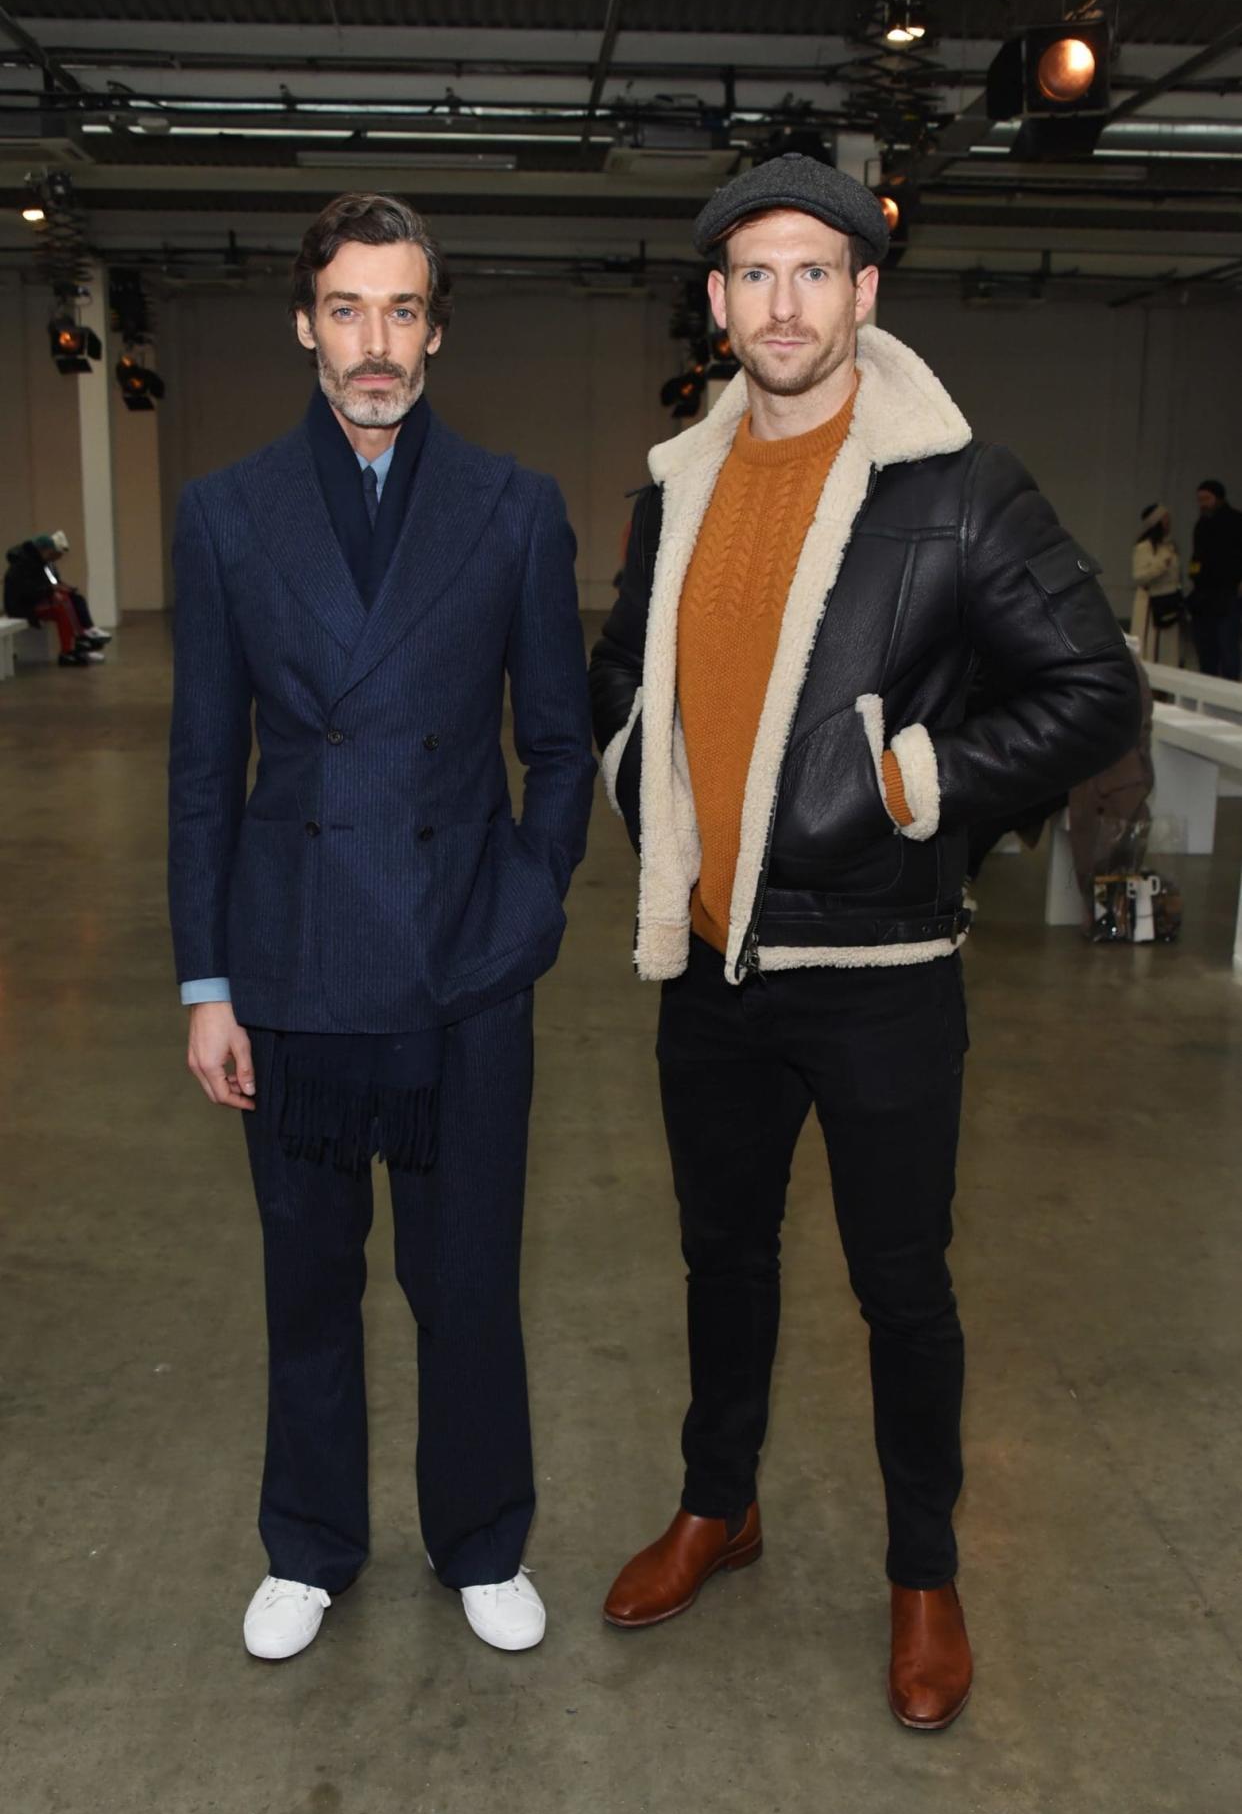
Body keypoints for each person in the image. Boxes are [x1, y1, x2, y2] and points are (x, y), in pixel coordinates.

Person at [589, 153, 1139, 1731]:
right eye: (752, 274)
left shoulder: (957, 482)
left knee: (902, 1285)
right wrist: (644, 772)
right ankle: (721, 1501)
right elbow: (621, 671)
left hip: (883, 973)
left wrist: (924, 785)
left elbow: (1091, 689)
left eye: (812, 272)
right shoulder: (675, 480)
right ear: (715, 301)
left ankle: (921, 1568)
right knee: (720, 1257)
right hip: (709, 965)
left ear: (862, 293)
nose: (782, 303)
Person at [168, 193, 594, 1663]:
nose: (375, 343)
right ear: (304, 323)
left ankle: (480, 1536)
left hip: (462, 960)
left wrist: (527, 905)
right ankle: (310, 1542)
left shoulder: (512, 504)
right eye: (346, 310)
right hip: (288, 967)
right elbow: (200, 764)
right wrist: (207, 980)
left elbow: (559, 736)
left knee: (466, 1269)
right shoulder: (226, 512)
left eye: (402, 311)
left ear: (436, 329)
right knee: (306, 1271)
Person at [3, 531, 110, 667]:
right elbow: (26, 592)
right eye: (51, 553)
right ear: (43, 550)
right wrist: (51, 590)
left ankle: (78, 643)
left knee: (67, 599)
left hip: (29, 602)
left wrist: (56, 588)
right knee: (62, 604)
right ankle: (70, 649)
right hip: (20, 607)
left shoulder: (38, 562)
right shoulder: (23, 565)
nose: (53, 557)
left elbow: (45, 585)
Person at [1186, 479, 1242, 679]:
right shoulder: (1202, 524)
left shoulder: (1236, 522)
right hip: (1204, 596)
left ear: (1218, 498)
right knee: (1206, 649)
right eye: (1200, 499)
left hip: (1226, 595)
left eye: (1206, 499)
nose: (1202, 503)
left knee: (1227, 647)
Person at [1130, 503, 1183, 665]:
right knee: (1150, 644)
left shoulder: (1169, 546)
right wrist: (1161, 566)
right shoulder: (1143, 548)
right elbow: (1139, 576)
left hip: (1169, 601)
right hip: (1150, 604)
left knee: (1167, 646)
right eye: (1165, 519)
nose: (1169, 522)